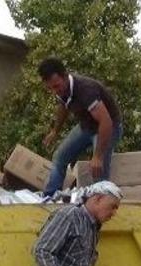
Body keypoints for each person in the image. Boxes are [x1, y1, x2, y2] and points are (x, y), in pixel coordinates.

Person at [37, 58, 123, 197]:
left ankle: (101, 203)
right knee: (59, 157)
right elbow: (63, 107)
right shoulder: (62, 90)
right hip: (87, 126)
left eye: (57, 86)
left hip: (108, 127)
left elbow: (106, 122)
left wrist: (98, 157)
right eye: (50, 88)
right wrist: (55, 131)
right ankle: (50, 197)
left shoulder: (86, 89)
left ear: (65, 76)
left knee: (97, 170)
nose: (55, 91)